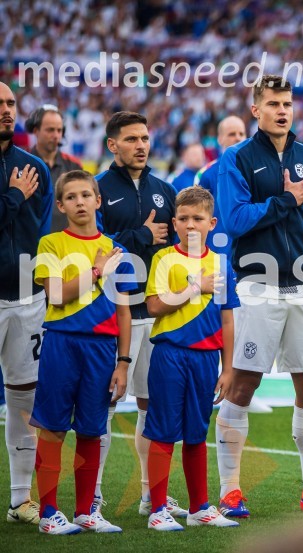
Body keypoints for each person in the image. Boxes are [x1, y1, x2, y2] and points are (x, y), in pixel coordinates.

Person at [214, 75, 303, 517]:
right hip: (256, 286)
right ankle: (230, 489)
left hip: (302, 286)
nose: (282, 110)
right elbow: (235, 219)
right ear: (255, 109)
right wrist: (283, 200)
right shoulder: (237, 158)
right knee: (243, 384)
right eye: (273, 103)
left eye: (287, 103)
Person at [31, 170, 133, 534]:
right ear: (60, 205)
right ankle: (47, 513)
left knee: (92, 429)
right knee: (54, 427)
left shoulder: (116, 250)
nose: (79, 202)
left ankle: (86, 512)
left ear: (98, 200)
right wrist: (96, 270)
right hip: (62, 342)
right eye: (70, 197)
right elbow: (56, 294)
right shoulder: (51, 244)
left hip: (103, 350)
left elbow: (123, 311)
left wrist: (123, 362)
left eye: (85, 195)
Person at [95, 111, 182, 518]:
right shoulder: (96, 190)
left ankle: (153, 495)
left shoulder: (166, 189)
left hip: (156, 314)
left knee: (153, 405)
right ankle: (91, 497)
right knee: (104, 406)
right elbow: (97, 248)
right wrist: (140, 237)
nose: (141, 145)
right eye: (131, 139)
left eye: (145, 138)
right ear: (112, 145)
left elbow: (177, 251)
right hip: (113, 315)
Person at [143, 186, 240, 531]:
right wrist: (194, 288)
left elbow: (228, 318)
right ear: (174, 222)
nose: (190, 224)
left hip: (206, 359)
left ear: (212, 222)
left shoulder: (221, 264)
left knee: (197, 433)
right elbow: (153, 306)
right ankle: (157, 509)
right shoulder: (163, 259)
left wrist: (228, 369)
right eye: (183, 218)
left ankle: (200, 507)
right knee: (164, 430)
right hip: (170, 354)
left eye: (198, 218)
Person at [0, 81, 53, 526]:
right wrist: (14, 196)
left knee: (25, 398)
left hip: (27, 298)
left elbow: (43, 235)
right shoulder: (24, 178)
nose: (5, 110)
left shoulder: (34, 166)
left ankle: (21, 500)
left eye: (10, 103)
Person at [194, 116, 248, 260]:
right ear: (219, 138)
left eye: (241, 134)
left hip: (251, 253)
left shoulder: (258, 170)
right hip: (218, 253)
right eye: (231, 134)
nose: (237, 138)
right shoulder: (206, 174)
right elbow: (196, 217)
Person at [25, 104, 82, 232]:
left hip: (66, 244)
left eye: (59, 130)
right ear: (35, 131)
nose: (56, 135)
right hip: (32, 244)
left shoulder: (74, 166)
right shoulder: (22, 164)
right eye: (50, 130)